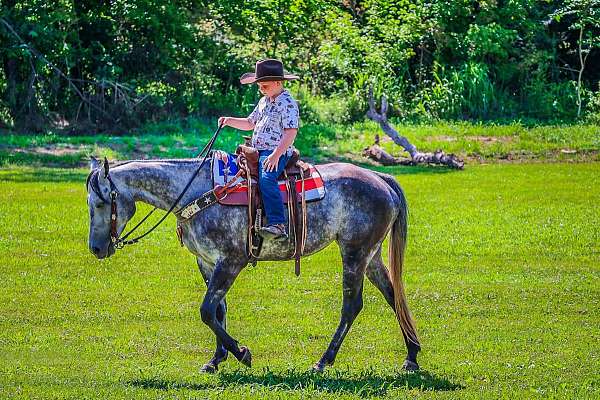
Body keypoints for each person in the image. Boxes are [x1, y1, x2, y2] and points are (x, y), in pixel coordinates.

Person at [218, 59, 300, 241]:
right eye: (259, 86)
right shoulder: (264, 101)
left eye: (264, 86)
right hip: (257, 150)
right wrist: (229, 120)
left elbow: (290, 132)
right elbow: (250, 123)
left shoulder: (287, 103)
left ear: (278, 82)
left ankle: (278, 224)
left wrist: (275, 156)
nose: (261, 89)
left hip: (276, 151)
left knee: (266, 178)